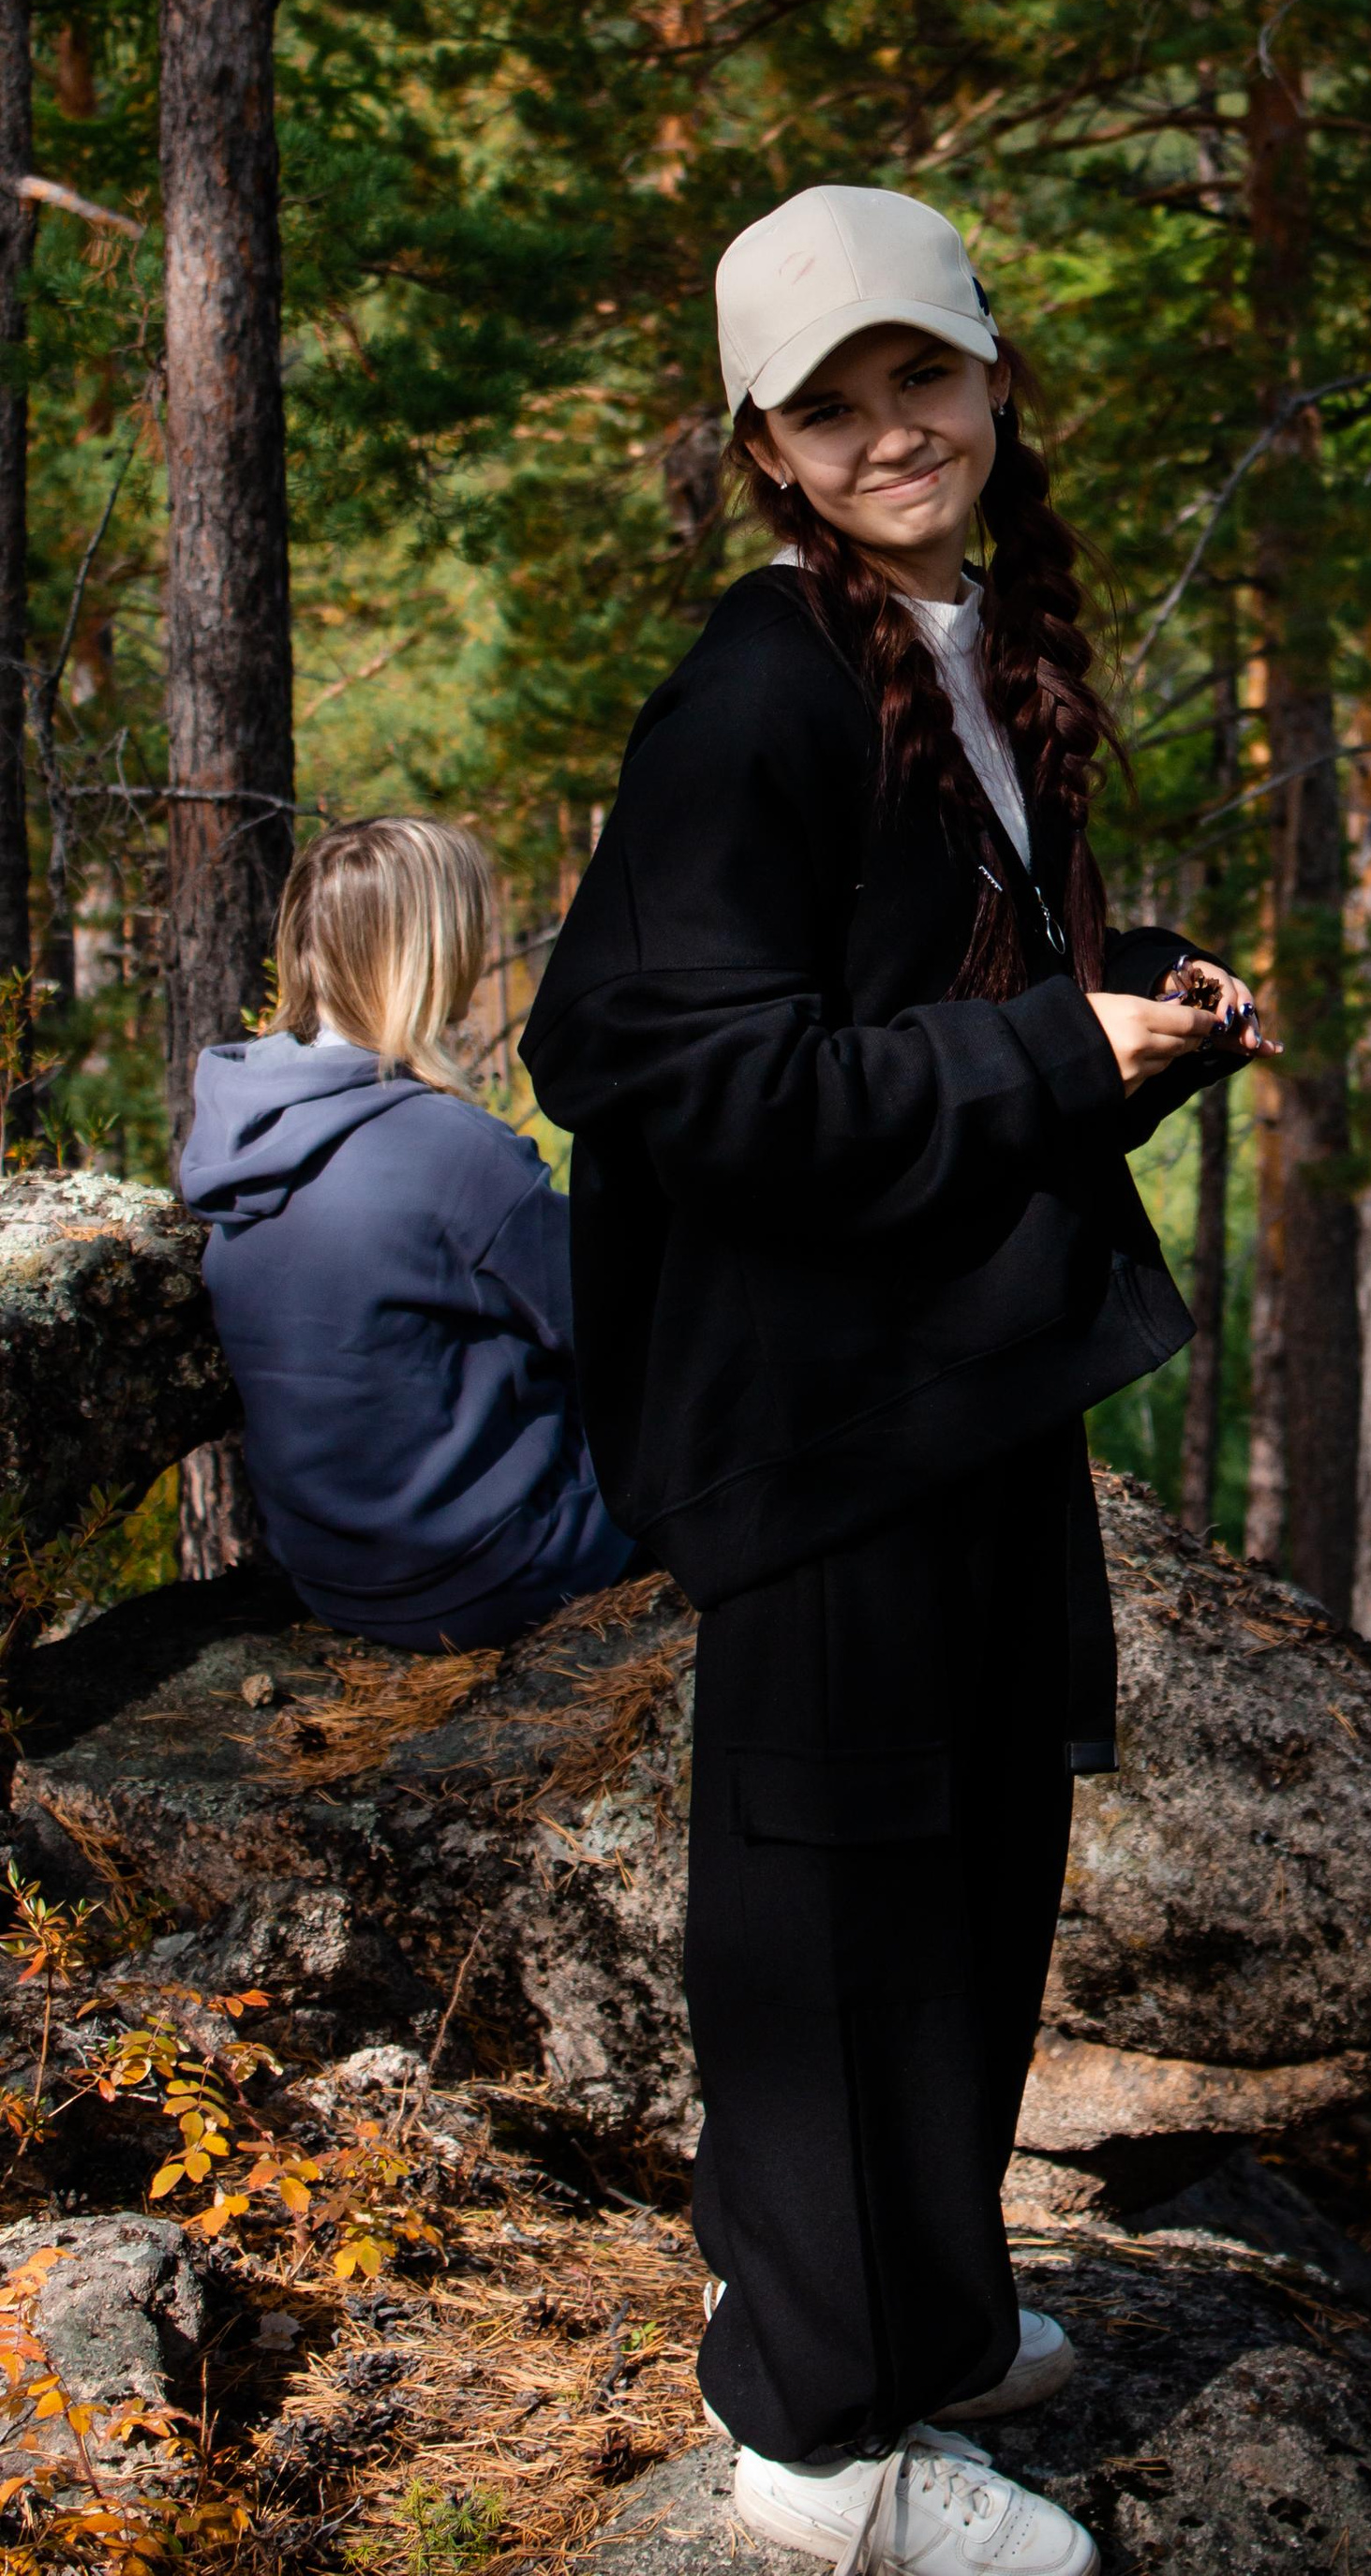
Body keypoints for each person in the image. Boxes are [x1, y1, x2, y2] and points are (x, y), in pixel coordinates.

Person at [520, 184, 1259, 2575]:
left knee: (962, 1873)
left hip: (949, 1381)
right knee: (830, 1912)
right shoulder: (753, 689)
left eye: (912, 377)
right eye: (822, 406)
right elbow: (664, 1071)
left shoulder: (957, 653)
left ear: (989, 373)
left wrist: (1126, 1011)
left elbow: (896, 1011)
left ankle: (929, 2317)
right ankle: (815, 2444)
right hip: (818, 1410)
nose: (883, 431)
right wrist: (1052, 1047)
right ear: (759, 447)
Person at [180, 816, 636, 1653]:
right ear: (427, 953)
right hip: (493, 1574)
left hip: (334, 1580)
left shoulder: (237, 1133)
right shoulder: (454, 1155)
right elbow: (612, 1329)